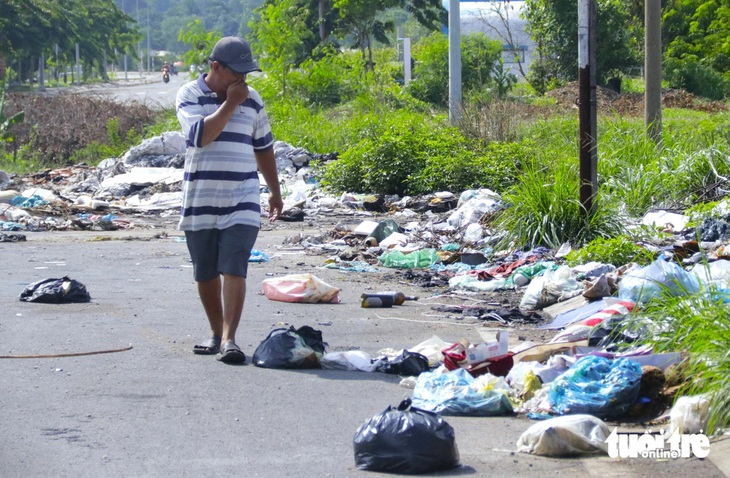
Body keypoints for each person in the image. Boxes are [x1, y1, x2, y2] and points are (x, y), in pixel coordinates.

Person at [175, 36, 283, 364]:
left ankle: (229, 339)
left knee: (234, 265)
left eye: (246, 75)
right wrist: (230, 104)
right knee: (205, 270)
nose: (242, 81)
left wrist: (275, 192)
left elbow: (263, 148)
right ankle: (215, 331)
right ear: (216, 67)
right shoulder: (189, 94)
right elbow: (200, 136)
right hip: (201, 198)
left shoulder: (254, 100)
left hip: (242, 196)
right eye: (236, 73)